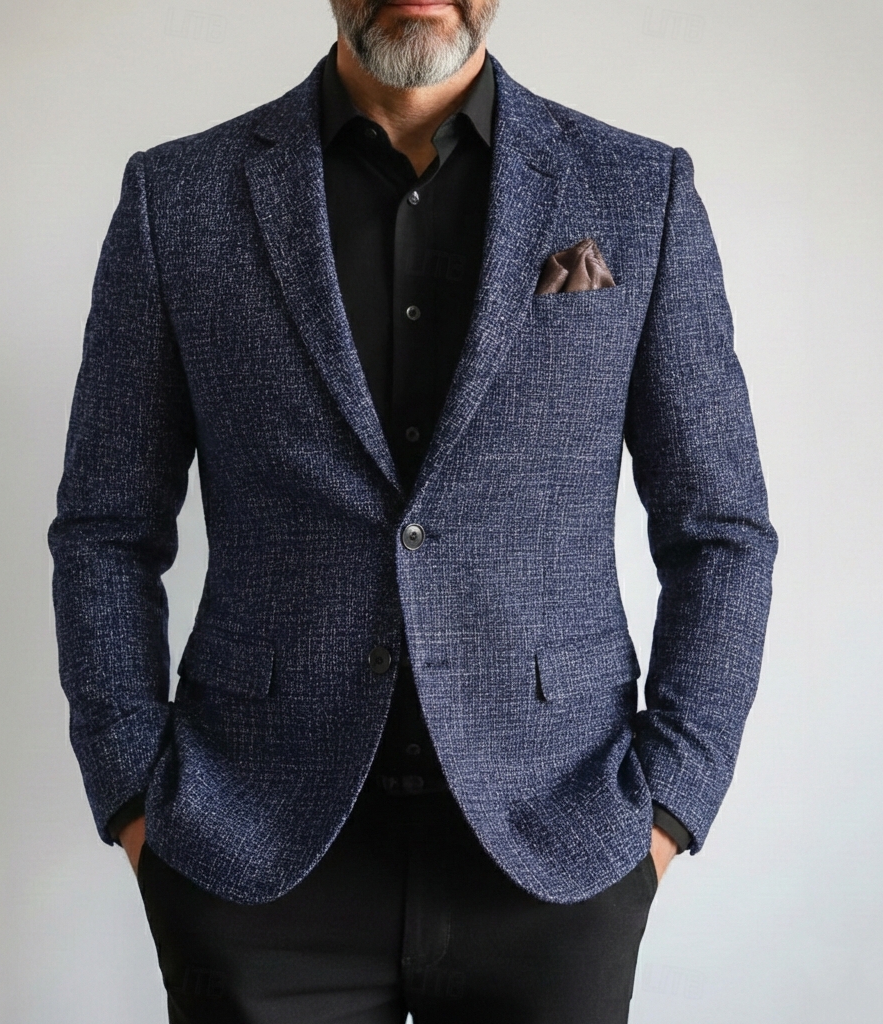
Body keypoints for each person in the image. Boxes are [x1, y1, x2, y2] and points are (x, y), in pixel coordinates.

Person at [48, 1, 778, 1020]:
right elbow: (106, 527)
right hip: (251, 849)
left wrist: (668, 805)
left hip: (558, 847)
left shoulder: (635, 189)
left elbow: (721, 529)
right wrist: (135, 795)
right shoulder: (180, 198)